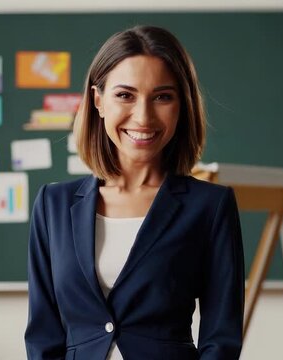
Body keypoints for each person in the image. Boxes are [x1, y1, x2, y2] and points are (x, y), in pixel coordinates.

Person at [25, 25, 244, 360]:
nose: (143, 116)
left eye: (162, 97)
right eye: (125, 95)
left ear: (182, 105)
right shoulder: (52, 205)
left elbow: (222, 339)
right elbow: (43, 337)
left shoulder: (210, 207)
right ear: (98, 101)